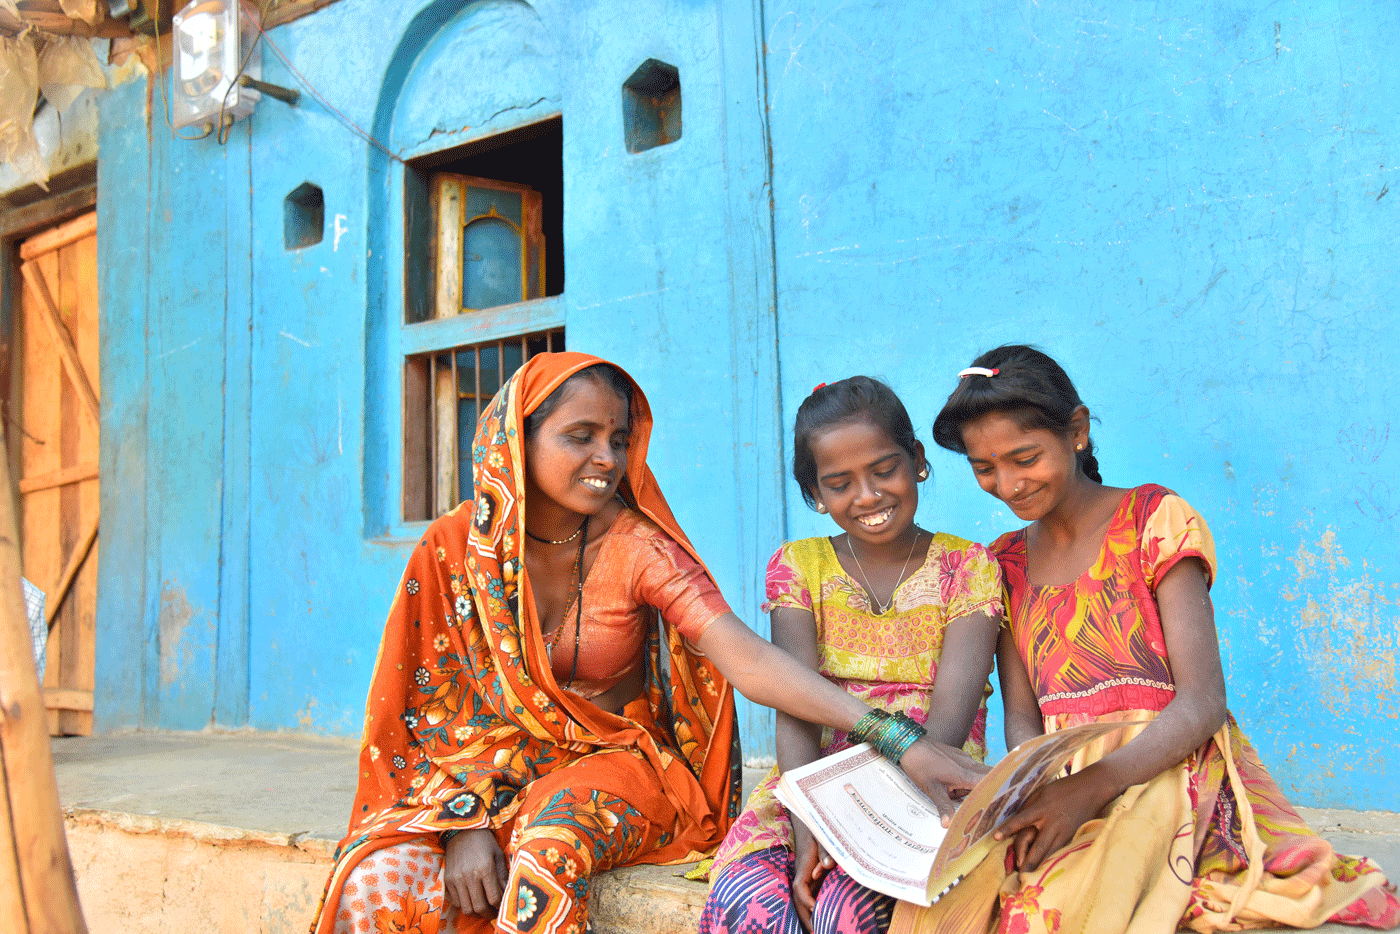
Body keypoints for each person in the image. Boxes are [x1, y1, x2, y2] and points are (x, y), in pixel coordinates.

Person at [311, 353, 988, 934]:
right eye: (580, 436)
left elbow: (746, 658)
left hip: (618, 764)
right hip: (477, 783)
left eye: (618, 438)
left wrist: (898, 739)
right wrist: (464, 823)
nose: (606, 458)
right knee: (377, 877)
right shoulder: (456, 549)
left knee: (549, 849)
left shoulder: (639, 547)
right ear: (519, 439)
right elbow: (432, 709)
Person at [889, 345, 1400, 934]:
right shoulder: (1005, 563)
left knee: (1056, 908)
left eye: (1024, 458)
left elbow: (1204, 702)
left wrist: (1092, 788)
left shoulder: (1153, 520)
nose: (1007, 483)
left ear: (1076, 431)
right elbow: (1024, 722)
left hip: (1168, 768)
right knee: (950, 904)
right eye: (984, 468)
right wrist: (1041, 792)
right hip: (1062, 779)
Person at [701, 377, 1003, 934]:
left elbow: (947, 729)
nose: (867, 497)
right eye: (839, 483)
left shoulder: (969, 567)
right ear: (815, 493)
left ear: (916, 461)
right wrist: (809, 829)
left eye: (883, 470)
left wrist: (861, 834)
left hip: (927, 788)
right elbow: (795, 706)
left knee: (847, 911)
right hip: (808, 787)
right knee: (755, 904)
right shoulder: (799, 565)